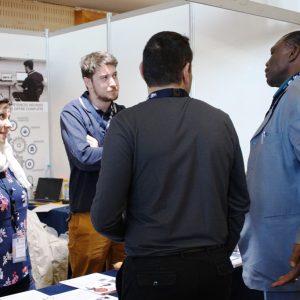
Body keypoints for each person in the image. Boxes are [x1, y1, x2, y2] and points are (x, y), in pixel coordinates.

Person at [91, 31, 250, 300]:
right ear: (186, 70)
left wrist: (135, 236)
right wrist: (219, 250)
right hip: (212, 269)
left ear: (142, 72)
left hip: (150, 270)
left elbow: (104, 214)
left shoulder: (126, 124)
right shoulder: (220, 121)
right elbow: (238, 201)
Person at [239, 31, 300, 300]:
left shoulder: (297, 98)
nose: (267, 62)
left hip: (290, 257)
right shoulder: (287, 97)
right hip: (278, 253)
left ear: (293, 52)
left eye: (273, 52)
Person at [60, 51, 125, 278]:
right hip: (89, 216)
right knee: (86, 285)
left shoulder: (124, 114)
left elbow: (139, 158)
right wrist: (123, 151)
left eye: (115, 75)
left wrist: (99, 148)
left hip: (123, 215)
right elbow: (84, 158)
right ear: (88, 81)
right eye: (104, 78)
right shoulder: (73, 112)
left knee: (124, 281)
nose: (113, 83)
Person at [0, 95, 33, 296]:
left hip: (21, 272)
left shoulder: (8, 160)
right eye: (1, 116)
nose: (8, 124)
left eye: (8, 116)